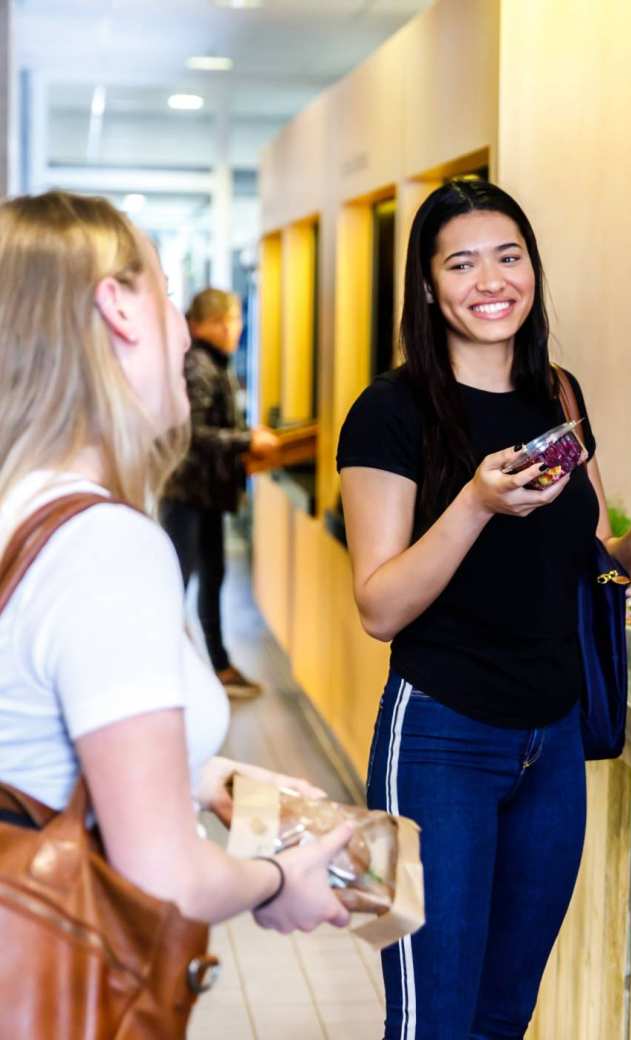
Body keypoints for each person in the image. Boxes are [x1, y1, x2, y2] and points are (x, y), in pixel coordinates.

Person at [338, 179, 631, 1038]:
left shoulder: (560, 394)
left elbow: (591, 560)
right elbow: (378, 607)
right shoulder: (389, 413)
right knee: (433, 1019)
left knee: (505, 1016)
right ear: (429, 288)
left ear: (533, 270)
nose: (491, 280)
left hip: (552, 749)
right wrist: (473, 503)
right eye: (461, 264)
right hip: (436, 743)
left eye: (509, 257)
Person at [0, 192, 353, 945]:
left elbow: (33, 744)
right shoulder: (102, 545)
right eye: (164, 293)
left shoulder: (23, 506)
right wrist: (280, 880)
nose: (182, 332)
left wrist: (203, 776)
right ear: (118, 310)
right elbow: (163, 876)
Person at [161, 288, 279, 699]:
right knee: (181, 582)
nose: (235, 330)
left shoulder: (213, 362)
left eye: (237, 322)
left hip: (205, 494)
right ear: (206, 325)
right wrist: (246, 440)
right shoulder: (197, 365)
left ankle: (219, 667)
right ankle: (170, 675)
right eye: (229, 323)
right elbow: (190, 434)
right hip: (187, 494)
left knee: (213, 578)